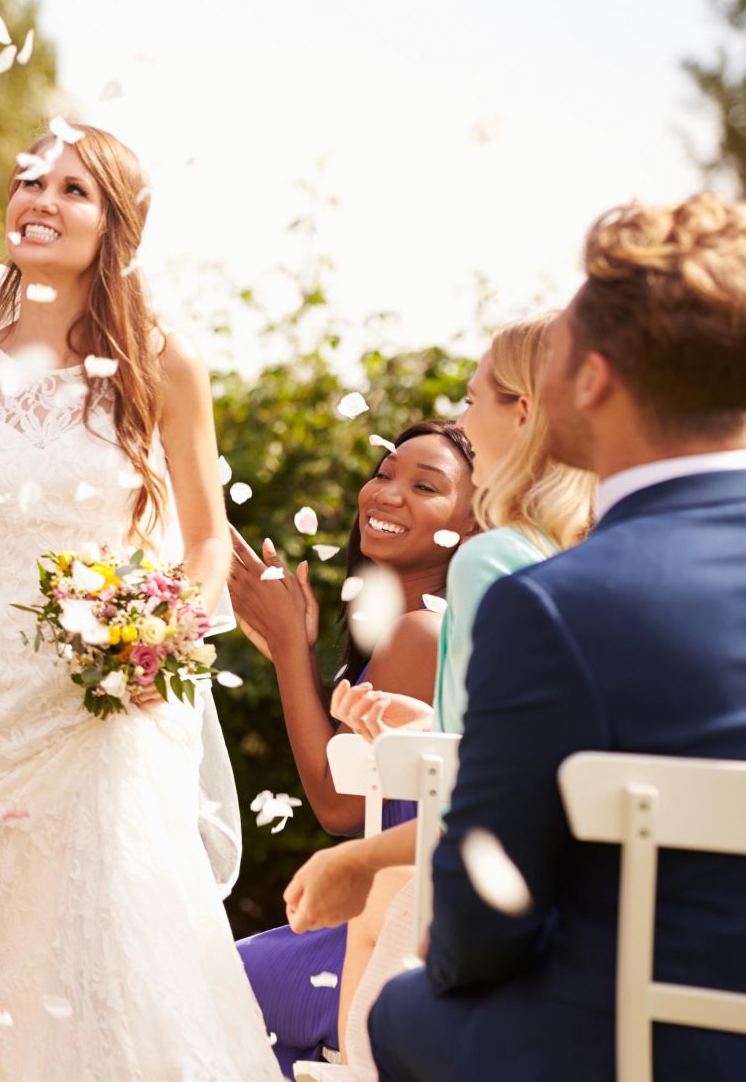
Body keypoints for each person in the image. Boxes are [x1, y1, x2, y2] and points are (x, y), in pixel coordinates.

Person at [0, 121, 278, 1080]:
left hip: (114, 695)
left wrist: (161, 643)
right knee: (7, 952)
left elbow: (205, 541)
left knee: (125, 931)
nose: (40, 200)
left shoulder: (164, 364)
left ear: (115, 224)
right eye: (29, 182)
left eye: (73, 190)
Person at [367, 194, 746, 1081]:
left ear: (596, 377)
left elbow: (478, 929)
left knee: (402, 1007)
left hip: (644, 1045)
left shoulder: (556, 605)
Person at [286, 314, 597, 1078]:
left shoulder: (493, 560)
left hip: (469, 909)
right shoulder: (574, 548)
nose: (462, 418)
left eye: (471, 398)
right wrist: (426, 727)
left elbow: (486, 781)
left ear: (522, 413)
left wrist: (360, 859)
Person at [227, 419, 477, 1078]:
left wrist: (287, 647)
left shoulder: (424, 633)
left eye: (425, 486)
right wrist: (298, 649)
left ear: (474, 527)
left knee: (195, 993)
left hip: (387, 928)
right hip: (374, 916)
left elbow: (337, 806)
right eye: (385, 473)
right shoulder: (419, 625)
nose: (386, 494)